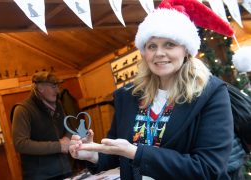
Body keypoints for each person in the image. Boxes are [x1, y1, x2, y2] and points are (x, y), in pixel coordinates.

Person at [69, 0, 235, 179]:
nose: (159, 53)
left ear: (186, 50)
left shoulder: (211, 94)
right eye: (152, 46)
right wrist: (92, 155)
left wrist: (136, 153)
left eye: (169, 44)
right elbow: (117, 156)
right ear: (144, 52)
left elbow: (208, 168)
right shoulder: (129, 96)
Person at [11, 71, 72, 180]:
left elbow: (68, 127)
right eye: (53, 86)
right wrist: (59, 146)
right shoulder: (22, 110)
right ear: (40, 88)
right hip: (41, 176)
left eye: (58, 86)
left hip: (65, 170)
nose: (58, 91)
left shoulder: (58, 104)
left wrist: (67, 139)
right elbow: (20, 144)